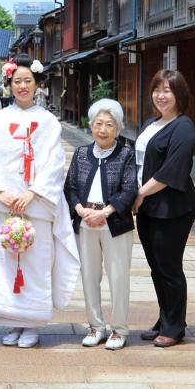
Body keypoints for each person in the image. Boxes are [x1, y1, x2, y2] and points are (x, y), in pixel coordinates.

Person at [0, 54, 80, 348]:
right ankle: (10, 320)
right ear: (9, 84)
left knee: (35, 263)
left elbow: (55, 162)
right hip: (4, 203)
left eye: (27, 81)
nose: (22, 86)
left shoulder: (48, 122)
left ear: (37, 84)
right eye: (17, 81)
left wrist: (33, 192)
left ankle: (32, 324)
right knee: (5, 263)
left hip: (36, 204)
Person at [133, 69, 195, 348]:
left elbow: (170, 171)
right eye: (157, 90)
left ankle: (175, 327)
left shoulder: (183, 128)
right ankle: (164, 319)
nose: (161, 96)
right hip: (149, 207)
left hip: (172, 208)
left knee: (169, 267)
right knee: (156, 267)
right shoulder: (151, 123)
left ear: (179, 94)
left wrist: (138, 194)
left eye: (167, 90)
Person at [64, 99, 137, 350]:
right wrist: (80, 209)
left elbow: (130, 189)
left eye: (109, 125)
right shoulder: (81, 153)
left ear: (118, 128)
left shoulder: (126, 154)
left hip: (114, 224)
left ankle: (119, 329)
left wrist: (105, 212)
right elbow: (70, 187)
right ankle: (95, 326)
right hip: (86, 223)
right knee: (89, 277)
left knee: (118, 277)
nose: (102, 129)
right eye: (98, 124)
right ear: (91, 125)